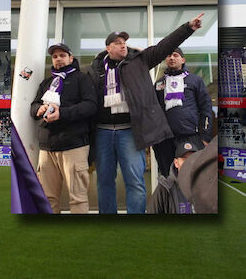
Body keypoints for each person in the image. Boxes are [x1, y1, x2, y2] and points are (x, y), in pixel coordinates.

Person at [87, 13, 204, 214]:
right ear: (108, 48)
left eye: (124, 42)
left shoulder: (139, 61)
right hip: (103, 131)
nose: (123, 45)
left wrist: (188, 27)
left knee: (135, 181)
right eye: (117, 43)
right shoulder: (94, 70)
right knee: (104, 181)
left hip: (130, 132)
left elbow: (164, 46)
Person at [30, 43, 98, 213]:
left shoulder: (82, 79)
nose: (58, 59)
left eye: (62, 55)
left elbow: (91, 106)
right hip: (47, 148)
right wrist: (38, 109)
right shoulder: (46, 82)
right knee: (47, 198)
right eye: (54, 56)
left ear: (70, 58)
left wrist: (63, 113)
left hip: (74, 145)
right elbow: (33, 105)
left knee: (77, 198)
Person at [152, 47, 213, 177]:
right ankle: (170, 198)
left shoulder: (195, 80)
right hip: (165, 140)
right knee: (167, 176)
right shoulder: (159, 83)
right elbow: (153, 111)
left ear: (183, 59)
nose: (172, 58)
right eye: (168, 55)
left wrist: (205, 137)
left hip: (191, 136)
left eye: (175, 55)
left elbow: (206, 108)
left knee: (193, 177)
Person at [148, 141, 200, 214]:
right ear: (176, 163)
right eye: (184, 159)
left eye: (192, 158)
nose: (189, 162)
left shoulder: (206, 187)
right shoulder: (165, 188)